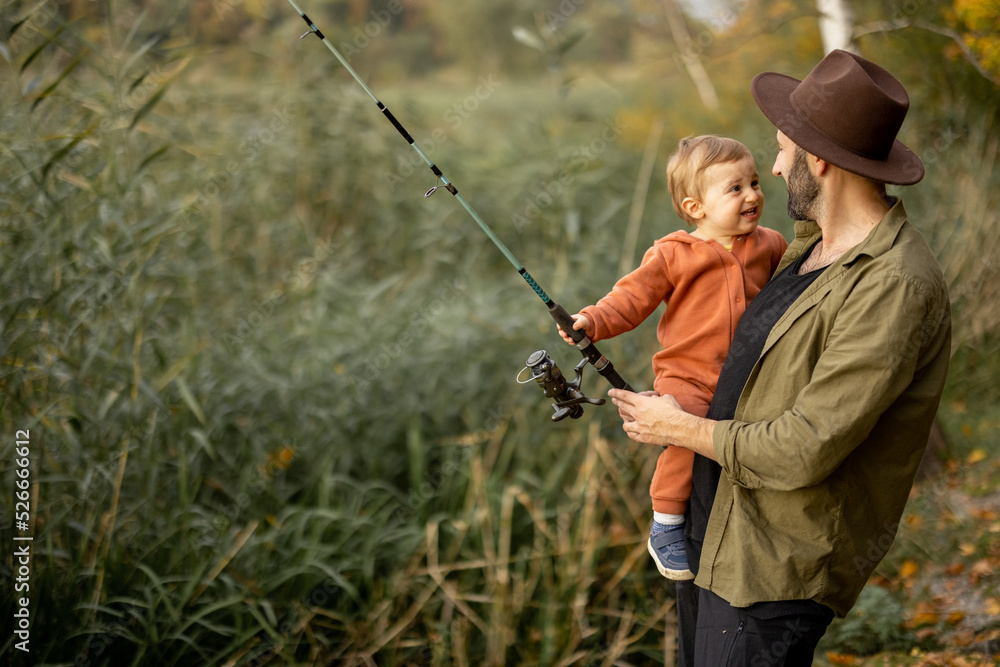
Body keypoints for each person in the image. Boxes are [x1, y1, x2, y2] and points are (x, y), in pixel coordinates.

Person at [609, 49, 951, 666]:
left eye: (781, 151)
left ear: (816, 161)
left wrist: (678, 427)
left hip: (771, 572)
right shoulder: (803, 250)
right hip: (717, 534)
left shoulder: (893, 283)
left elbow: (805, 445)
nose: (772, 165)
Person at [558, 135, 787, 580]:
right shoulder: (673, 254)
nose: (753, 195)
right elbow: (631, 298)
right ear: (696, 208)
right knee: (683, 428)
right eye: (735, 189)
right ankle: (666, 524)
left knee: (751, 441)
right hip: (689, 375)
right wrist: (591, 320)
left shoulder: (771, 244)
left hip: (749, 373)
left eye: (755, 183)